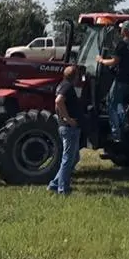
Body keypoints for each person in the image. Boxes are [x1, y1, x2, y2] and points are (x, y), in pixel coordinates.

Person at [96, 20, 129, 142]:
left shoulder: (121, 44)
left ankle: (116, 133)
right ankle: (124, 124)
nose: (120, 31)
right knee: (120, 103)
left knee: (111, 104)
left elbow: (115, 61)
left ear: (125, 30)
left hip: (120, 79)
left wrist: (101, 60)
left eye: (121, 29)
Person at [48, 65, 84, 195]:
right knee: (68, 158)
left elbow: (57, 103)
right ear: (75, 76)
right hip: (69, 128)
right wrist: (67, 119)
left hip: (67, 127)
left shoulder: (62, 85)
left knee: (74, 158)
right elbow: (59, 101)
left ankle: (54, 184)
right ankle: (63, 189)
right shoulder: (67, 86)